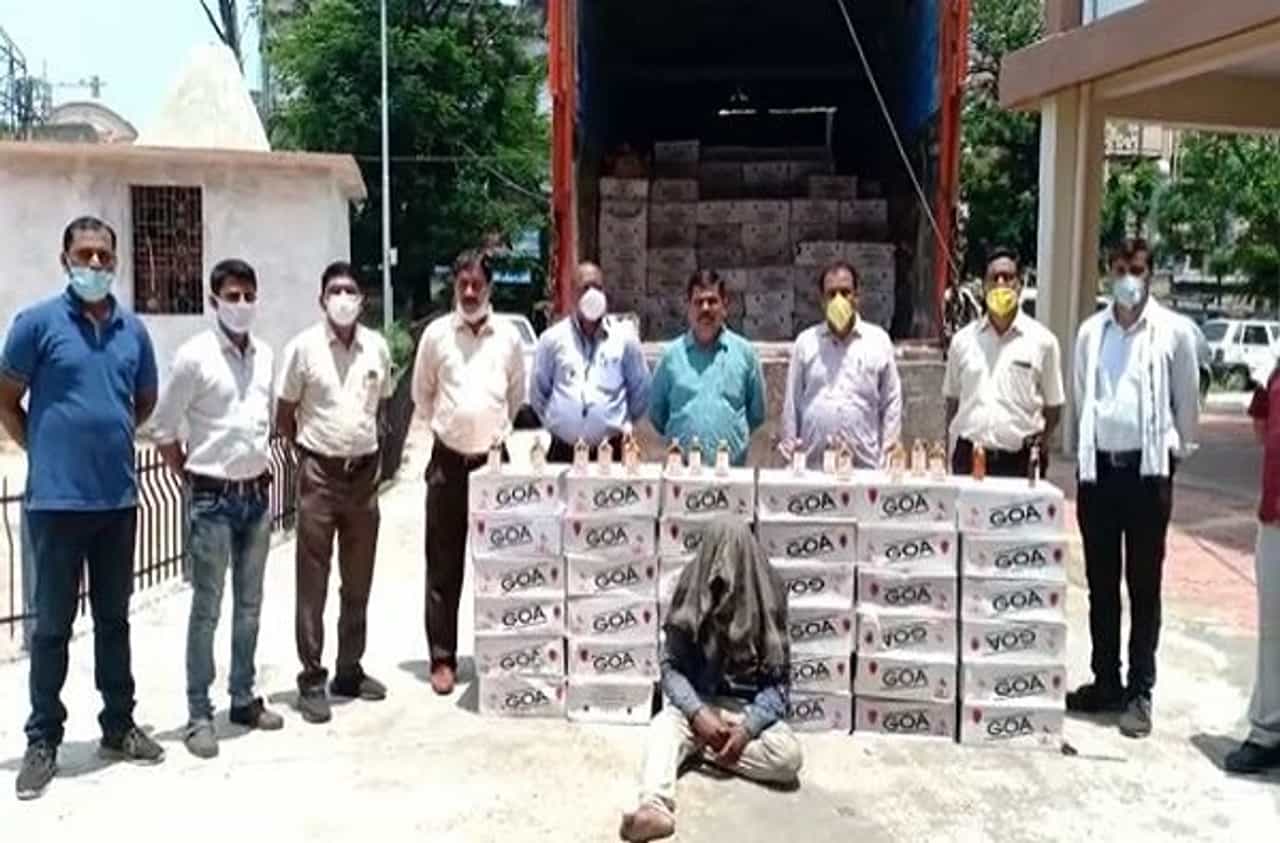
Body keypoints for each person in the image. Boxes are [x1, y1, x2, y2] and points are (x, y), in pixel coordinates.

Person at [1, 217, 165, 801]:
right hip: (56, 503)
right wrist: (42, 445)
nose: (94, 264)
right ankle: (43, 739)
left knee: (114, 621)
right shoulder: (37, 324)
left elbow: (143, 400)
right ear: (65, 259)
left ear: (115, 262)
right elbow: (5, 397)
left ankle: (118, 726)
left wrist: (106, 434)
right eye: (84, 254)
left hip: (116, 500)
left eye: (103, 256)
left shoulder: (133, 332)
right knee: (52, 627)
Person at [150, 259, 284, 759]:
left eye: (249, 295)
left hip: (256, 497)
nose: (241, 304)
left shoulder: (266, 355)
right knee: (207, 607)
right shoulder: (194, 357)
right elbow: (163, 427)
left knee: (250, 605)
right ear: (213, 301)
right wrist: (188, 475)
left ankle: (243, 697)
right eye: (232, 296)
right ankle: (198, 712)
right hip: (212, 499)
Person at [1068, 238, 1200, 738]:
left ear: (1151, 274)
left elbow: (1187, 401)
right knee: (1101, 583)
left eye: (1138, 269)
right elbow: (1083, 394)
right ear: (1109, 271)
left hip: (1147, 476)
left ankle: (1140, 692)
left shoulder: (1173, 332)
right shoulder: (1091, 332)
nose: (1129, 278)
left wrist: (1173, 453)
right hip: (1100, 473)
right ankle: (1106, 681)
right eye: (1121, 268)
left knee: (1144, 586)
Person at [619, 519, 801, 843]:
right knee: (662, 727)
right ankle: (655, 807)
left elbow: (778, 685)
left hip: (744, 709)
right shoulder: (691, 586)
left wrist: (746, 731)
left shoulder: (769, 593)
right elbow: (671, 668)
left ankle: (702, 750)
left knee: (788, 758)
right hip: (698, 702)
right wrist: (697, 714)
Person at [277, 261, 393, 724]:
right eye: (335, 291)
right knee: (313, 580)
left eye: (351, 291)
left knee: (358, 578)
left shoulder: (377, 347)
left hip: (363, 478)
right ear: (322, 299)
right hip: (320, 476)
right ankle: (311, 677)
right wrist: (309, 457)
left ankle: (349, 669)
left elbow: (382, 406)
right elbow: (284, 414)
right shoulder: (303, 348)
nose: (344, 299)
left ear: (362, 300)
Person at [411, 250, 525, 695]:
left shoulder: (509, 336)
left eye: (478, 284)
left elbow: (515, 395)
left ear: (490, 287)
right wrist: (450, 427)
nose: (471, 291)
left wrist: (492, 431)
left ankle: (501, 655)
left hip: (493, 467)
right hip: (447, 465)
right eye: (464, 284)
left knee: (500, 565)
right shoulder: (436, 335)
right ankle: (443, 658)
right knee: (443, 565)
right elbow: (422, 395)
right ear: (454, 286)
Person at [944, 248, 1065, 477]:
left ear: (1019, 285)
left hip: (1020, 463)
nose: (1001, 284)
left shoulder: (1043, 342)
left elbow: (1054, 407)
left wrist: (1039, 444)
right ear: (984, 286)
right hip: (970, 459)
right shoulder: (962, 341)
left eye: (1008, 277)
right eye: (994, 278)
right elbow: (952, 400)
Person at [779, 260, 901, 469]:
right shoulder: (806, 343)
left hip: (865, 468)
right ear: (822, 301)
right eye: (832, 294)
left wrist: (888, 454)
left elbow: (891, 400)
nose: (839, 300)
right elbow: (792, 403)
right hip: (813, 468)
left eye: (845, 293)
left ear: (857, 297)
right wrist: (791, 455)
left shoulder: (878, 341)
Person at [531, 261, 650, 461]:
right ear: (573, 294)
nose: (592, 294)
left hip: (611, 451)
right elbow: (538, 393)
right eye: (585, 288)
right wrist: (561, 423)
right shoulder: (552, 339)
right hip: (564, 452)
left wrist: (618, 422)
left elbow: (641, 391)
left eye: (598, 287)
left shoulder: (624, 338)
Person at [1223, 365, 1280, 773]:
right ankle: (1267, 731)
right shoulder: (1276, 369)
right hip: (1274, 518)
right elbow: (1261, 425)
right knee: (1273, 630)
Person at [648, 270, 766, 466]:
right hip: (682, 472)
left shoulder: (745, 354)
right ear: (688, 307)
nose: (705, 308)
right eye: (698, 302)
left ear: (725, 306)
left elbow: (756, 415)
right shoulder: (671, 357)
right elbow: (657, 415)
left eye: (712, 301)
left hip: (731, 473)